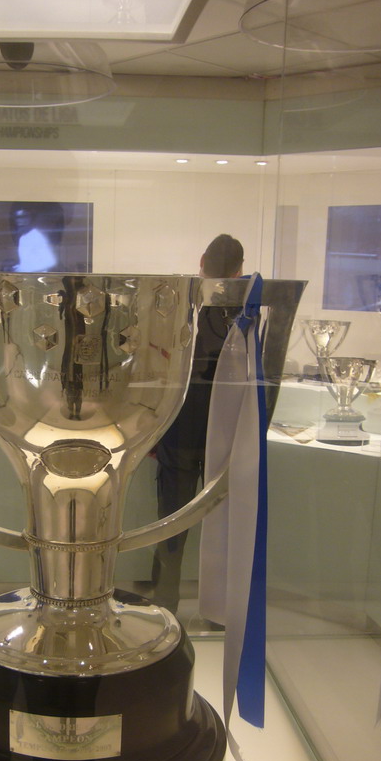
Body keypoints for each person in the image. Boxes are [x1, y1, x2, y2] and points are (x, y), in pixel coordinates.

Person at [150, 233, 245, 614]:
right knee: (225, 521)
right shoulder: (245, 312)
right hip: (227, 430)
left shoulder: (177, 302)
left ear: (202, 260)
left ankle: (165, 602)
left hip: (180, 427)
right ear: (240, 269)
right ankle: (221, 607)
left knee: (171, 520)